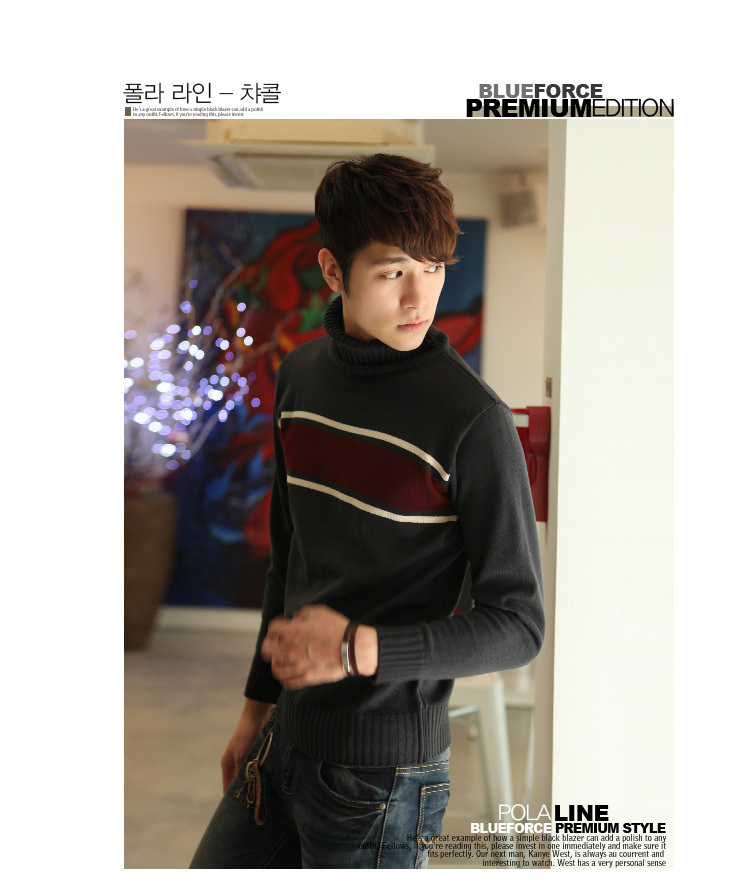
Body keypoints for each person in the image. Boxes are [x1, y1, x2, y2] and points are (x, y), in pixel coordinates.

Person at [190, 153, 545, 869]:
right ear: (332, 270)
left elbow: (519, 626)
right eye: (392, 273)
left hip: (384, 779)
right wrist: (256, 708)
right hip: (283, 739)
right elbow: (290, 559)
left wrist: (360, 648)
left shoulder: (473, 421)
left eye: (434, 268)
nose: (420, 297)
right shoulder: (300, 377)